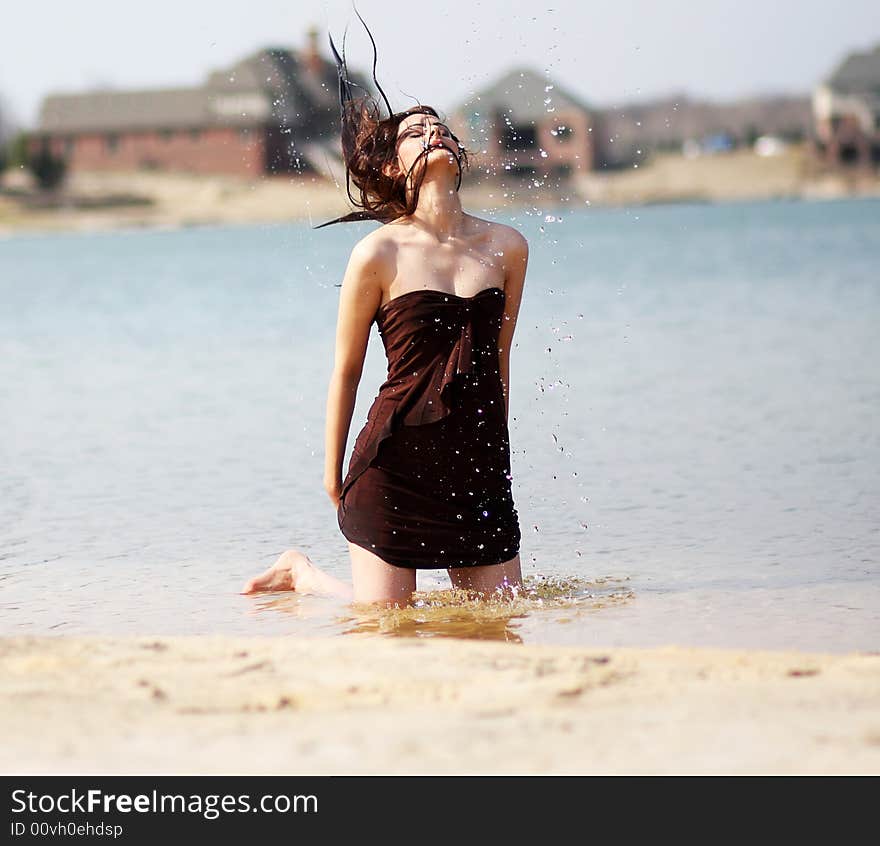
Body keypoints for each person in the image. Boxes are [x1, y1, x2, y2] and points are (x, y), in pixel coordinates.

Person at [241, 21, 528, 607]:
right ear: (395, 168)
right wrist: (331, 472)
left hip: (475, 464)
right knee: (384, 622)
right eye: (416, 131)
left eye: (440, 127)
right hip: (393, 462)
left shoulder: (508, 247)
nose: (434, 133)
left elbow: (499, 358)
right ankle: (302, 572)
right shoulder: (379, 252)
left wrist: (497, 454)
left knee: (499, 618)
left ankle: (307, 574)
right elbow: (346, 371)